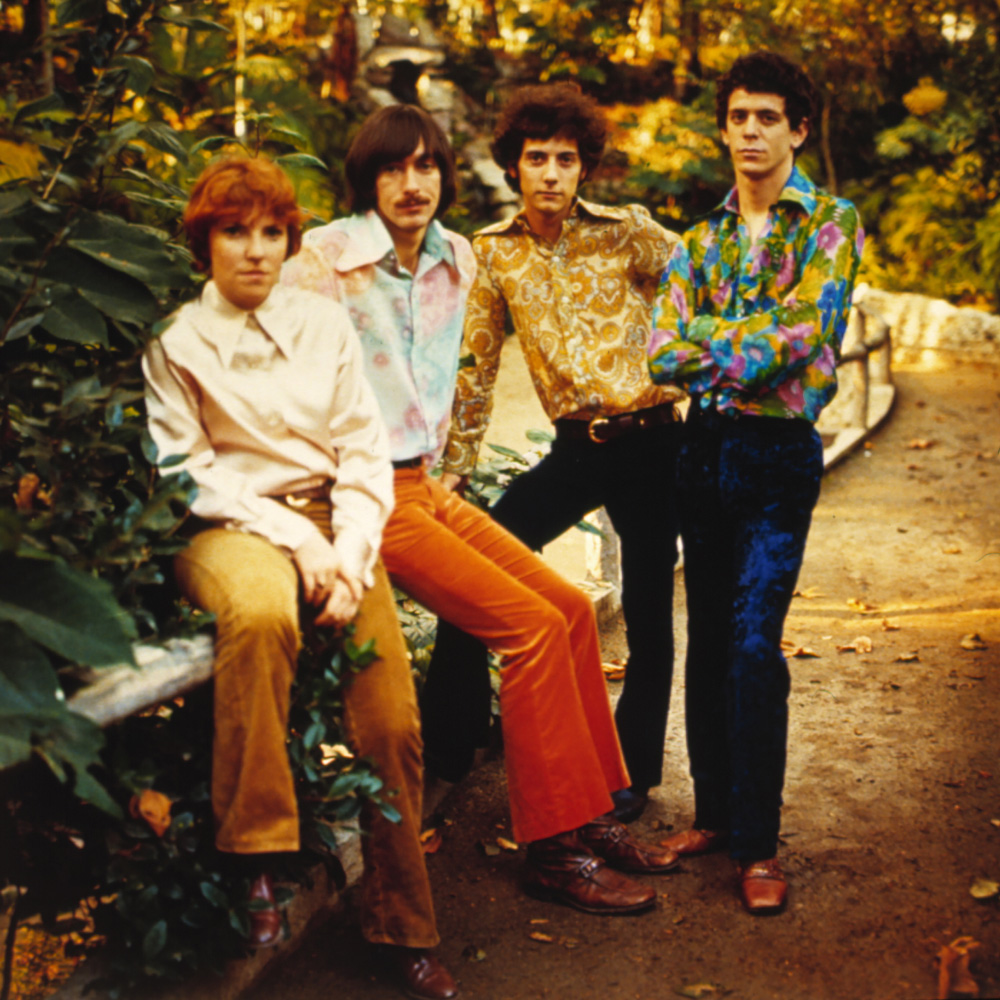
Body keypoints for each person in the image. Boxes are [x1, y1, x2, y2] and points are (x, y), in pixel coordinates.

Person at [283, 104, 678, 921]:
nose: (411, 183)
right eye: (392, 168)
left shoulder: (453, 257)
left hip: (427, 481)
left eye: (426, 166)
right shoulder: (320, 258)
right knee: (529, 630)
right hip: (362, 494)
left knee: (570, 610)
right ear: (365, 179)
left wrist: (451, 469)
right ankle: (553, 851)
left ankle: (592, 811)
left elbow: (457, 374)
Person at [143, 157, 458, 1000]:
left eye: (271, 233)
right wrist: (298, 543)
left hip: (338, 524)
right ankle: (257, 853)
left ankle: (403, 925)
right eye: (234, 232)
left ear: (289, 241)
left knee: (391, 722)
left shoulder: (323, 324)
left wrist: (349, 555)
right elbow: (189, 473)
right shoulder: (178, 342)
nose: (255, 250)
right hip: (228, 527)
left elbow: (362, 449)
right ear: (205, 242)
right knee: (259, 612)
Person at [426, 83, 684, 824]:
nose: (550, 173)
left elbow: (698, 283)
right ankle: (453, 746)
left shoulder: (629, 231)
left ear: (583, 168)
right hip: (577, 450)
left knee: (649, 614)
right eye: (536, 158)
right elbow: (474, 364)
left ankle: (631, 776)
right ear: (513, 165)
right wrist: (454, 468)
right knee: (474, 573)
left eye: (565, 160)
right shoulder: (493, 253)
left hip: (653, 440)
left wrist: (687, 364)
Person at [648, 51, 864, 914]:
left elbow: (810, 333)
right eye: (738, 117)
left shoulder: (831, 224)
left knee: (751, 644)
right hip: (702, 451)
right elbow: (660, 351)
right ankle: (713, 816)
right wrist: (753, 348)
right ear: (723, 128)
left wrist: (713, 344)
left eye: (767, 117)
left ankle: (759, 843)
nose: (750, 132)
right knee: (707, 640)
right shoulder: (699, 239)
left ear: (797, 129)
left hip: (777, 457)